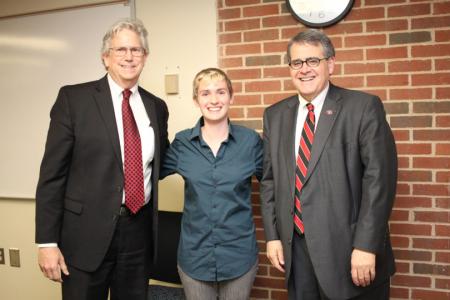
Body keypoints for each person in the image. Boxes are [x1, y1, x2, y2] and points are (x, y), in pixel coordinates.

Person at [35, 18, 169, 300]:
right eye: (120, 50)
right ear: (105, 57)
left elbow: (161, 162)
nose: (129, 57)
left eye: (136, 50)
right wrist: (47, 242)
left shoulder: (156, 107)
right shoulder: (74, 99)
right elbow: (52, 176)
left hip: (137, 234)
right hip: (84, 237)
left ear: (145, 57)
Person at [260, 29, 397, 300]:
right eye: (296, 63)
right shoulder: (275, 115)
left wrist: (366, 246)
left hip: (350, 253)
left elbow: (379, 180)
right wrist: (273, 236)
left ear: (330, 64)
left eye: (313, 61)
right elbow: (269, 181)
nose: (304, 70)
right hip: (296, 253)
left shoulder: (363, 107)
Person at [161, 68, 262, 300]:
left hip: (239, 257)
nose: (214, 100)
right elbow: (148, 172)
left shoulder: (250, 142)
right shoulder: (183, 143)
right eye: (205, 93)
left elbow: (275, 186)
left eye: (220, 92)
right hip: (194, 258)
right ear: (196, 100)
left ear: (231, 96)